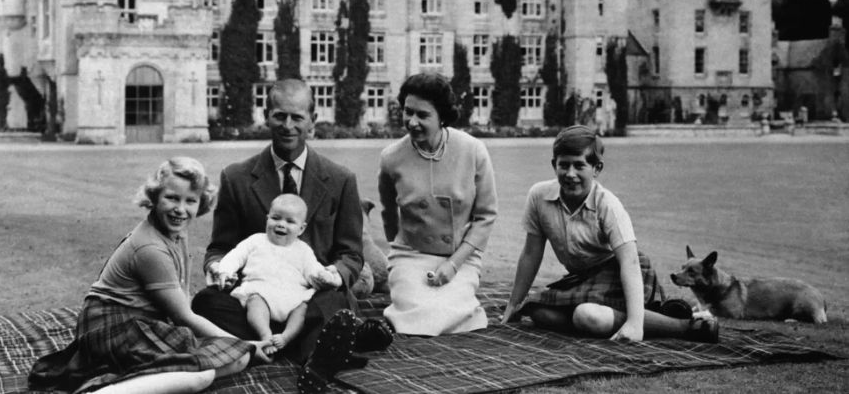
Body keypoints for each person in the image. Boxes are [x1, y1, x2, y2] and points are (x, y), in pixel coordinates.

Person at [192, 79, 392, 393]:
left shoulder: (340, 180)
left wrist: (334, 275)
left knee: (336, 300)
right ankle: (322, 346)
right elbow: (220, 248)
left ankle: (282, 345)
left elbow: (352, 255)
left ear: (312, 120)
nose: (288, 125)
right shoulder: (236, 177)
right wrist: (218, 270)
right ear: (266, 115)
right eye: (280, 116)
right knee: (205, 302)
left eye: (297, 117)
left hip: (313, 298)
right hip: (257, 301)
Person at [29, 157, 268, 394]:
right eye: (172, 198)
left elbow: (182, 301)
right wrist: (245, 344)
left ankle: (142, 379)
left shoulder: (177, 233)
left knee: (236, 358)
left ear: (201, 204)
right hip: (112, 325)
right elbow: (184, 316)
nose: (180, 209)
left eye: (190, 201)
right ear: (154, 197)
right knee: (203, 374)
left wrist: (238, 348)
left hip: (142, 324)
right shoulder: (150, 248)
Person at [500, 126, 718, 343]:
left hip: (621, 272)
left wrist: (634, 325)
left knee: (587, 315)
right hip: (582, 278)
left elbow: (630, 262)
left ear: (596, 168)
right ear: (553, 165)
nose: (570, 174)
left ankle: (685, 326)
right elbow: (531, 254)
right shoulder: (539, 196)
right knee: (537, 311)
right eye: (563, 165)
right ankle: (656, 316)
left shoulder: (608, 204)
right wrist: (512, 305)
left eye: (579, 165)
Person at [378, 73, 498, 335]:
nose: (412, 122)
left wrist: (454, 264)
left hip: (460, 256)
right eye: (408, 112)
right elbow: (389, 214)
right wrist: (402, 254)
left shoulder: (473, 151)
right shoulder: (390, 158)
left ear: (442, 116)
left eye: (422, 115)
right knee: (415, 309)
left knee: (452, 311)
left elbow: (486, 216)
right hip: (411, 254)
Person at [211, 194, 343, 354]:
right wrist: (225, 270)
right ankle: (265, 335)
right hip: (261, 291)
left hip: (292, 296)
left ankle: (286, 337)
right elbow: (235, 256)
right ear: (267, 219)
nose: (281, 224)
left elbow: (313, 270)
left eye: (290, 221)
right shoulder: (255, 241)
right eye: (276, 218)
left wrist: (324, 276)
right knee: (255, 303)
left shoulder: (303, 250)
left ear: (301, 228)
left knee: (302, 309)